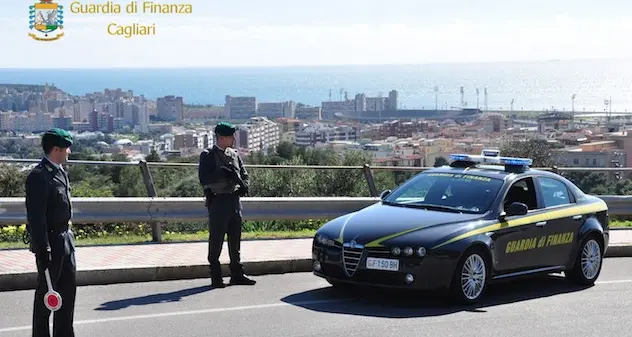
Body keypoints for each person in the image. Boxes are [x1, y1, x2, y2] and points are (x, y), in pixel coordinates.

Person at [25, 128, 76, 337]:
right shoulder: (39, 176)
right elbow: (37, 217)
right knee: (47, 298)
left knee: (67, 294)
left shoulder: (59, 171)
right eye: (66, 148)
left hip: (65, 240)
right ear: (56, 149)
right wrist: (42, 247)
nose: (69, 152)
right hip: (51, 242)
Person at [198, 122, 256, 288]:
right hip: (218, 201)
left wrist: (242, 186)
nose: (234, 139)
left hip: (234, 201)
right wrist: (221, 172)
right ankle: (216, 276)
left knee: (235, 240)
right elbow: (204, 179)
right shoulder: (208, 155)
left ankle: (236, 274)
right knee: (216, 240)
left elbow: (244, 175)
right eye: (231, 136)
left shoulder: (235, 154)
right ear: (222, 137)